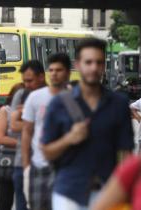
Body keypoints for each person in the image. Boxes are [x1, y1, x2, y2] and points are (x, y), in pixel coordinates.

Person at [41, 38, 134, 210]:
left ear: (104, 66)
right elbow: (46, 152)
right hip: (68, 193)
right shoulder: (59, 104)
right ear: (78, 64)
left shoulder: (119, 104)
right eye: (88, 62)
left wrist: (126, 191)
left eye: (99, 62)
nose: (94, 68)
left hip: (107, 194)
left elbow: (126, 153)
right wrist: (69, 138)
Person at [21, 53, 71, 210]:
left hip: (66, 168)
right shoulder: (35, 98)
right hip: (39, 166)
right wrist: (26, 166)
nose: (54, 74)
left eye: (59, 70)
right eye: (52, 70)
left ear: (68, 72)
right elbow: (27, 132)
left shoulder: (75, 98)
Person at [9, 60, 46, 210]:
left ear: (41, 77)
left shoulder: (53, 96)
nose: (27, 85)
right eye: (24, 81)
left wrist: (28, 119)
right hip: (21, 163)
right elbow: (13, 126)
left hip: (46, 164)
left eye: (30, 81)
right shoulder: (21, 94)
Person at [0, 83, 24, 210]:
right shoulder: (5, 111)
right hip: (8, 165)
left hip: (27, 166)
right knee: (5, 204)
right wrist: (25, 144)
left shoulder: (34, 112)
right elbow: (0, 138)